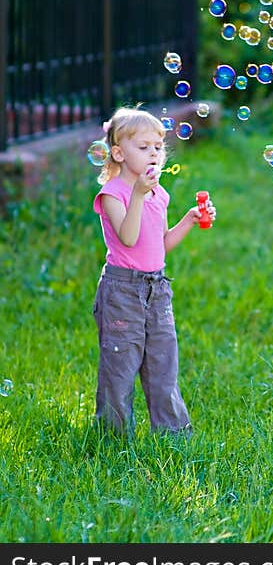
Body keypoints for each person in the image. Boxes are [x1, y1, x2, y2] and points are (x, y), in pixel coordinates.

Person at [91, 105, 216, 435]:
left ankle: (173, 436)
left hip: (157, 288)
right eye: (143, 147)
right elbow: (129, 238)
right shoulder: (112, 195)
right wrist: (137, 196)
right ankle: (113, 439)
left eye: (158, 147)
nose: (154, 154)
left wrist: (188, 220)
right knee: (119, 367)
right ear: (118, 153)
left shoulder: (159, 193)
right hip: (123, 292)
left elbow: (160, 246)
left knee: (164, 364)